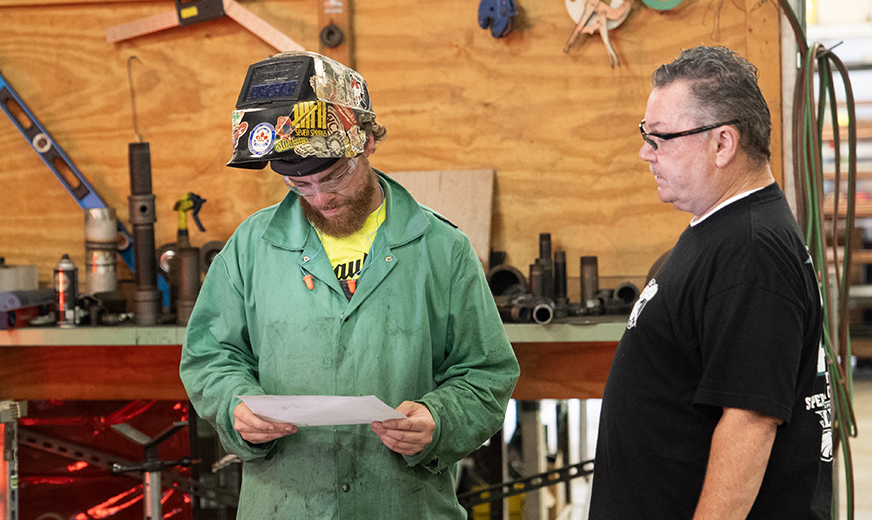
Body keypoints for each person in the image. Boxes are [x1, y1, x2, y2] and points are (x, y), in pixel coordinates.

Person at [179, 51, 520, 518]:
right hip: (286, 506)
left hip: (402, 506)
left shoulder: (442, 249)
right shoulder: (252, 247)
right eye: (299, 185)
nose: (321, 197)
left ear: (366, 141)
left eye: (334, 175)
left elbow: (486, 373)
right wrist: (235, 408)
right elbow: (210, 357)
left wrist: (439, 419)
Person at [589, 46, 832, 519]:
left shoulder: (752, 252)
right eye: (646, 135)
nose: (645, 152)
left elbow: (750, 422)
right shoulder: (726, 232)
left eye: (661, 137)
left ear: (723, 144)